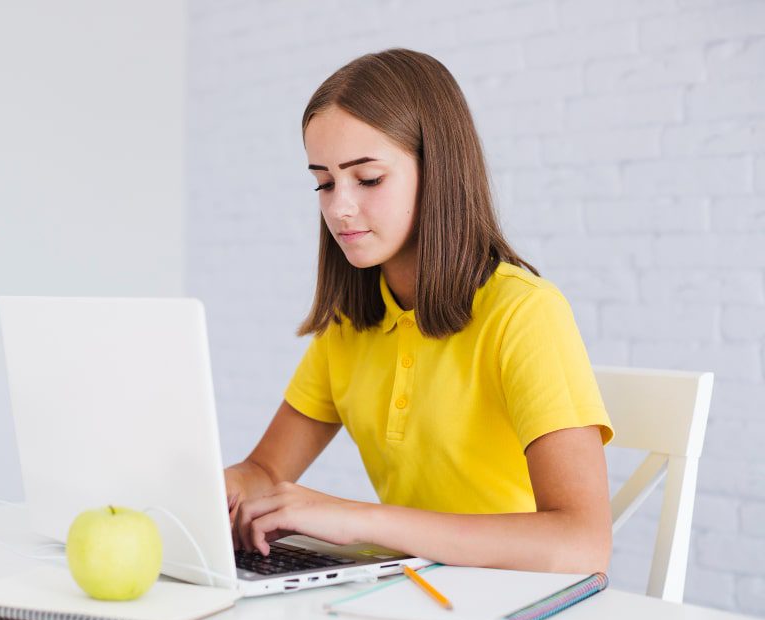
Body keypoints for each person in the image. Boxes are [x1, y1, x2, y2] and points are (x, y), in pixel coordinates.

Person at [224, 48, 615, 574]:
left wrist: (359, 519)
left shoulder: (524, 314)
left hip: (515, 611)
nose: (338, 206)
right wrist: (213, 490)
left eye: (367, 178)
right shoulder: (351, 325)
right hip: (416, 597)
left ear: (438, 172)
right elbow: (266, 470)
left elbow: (583, 543)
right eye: (323, 181)